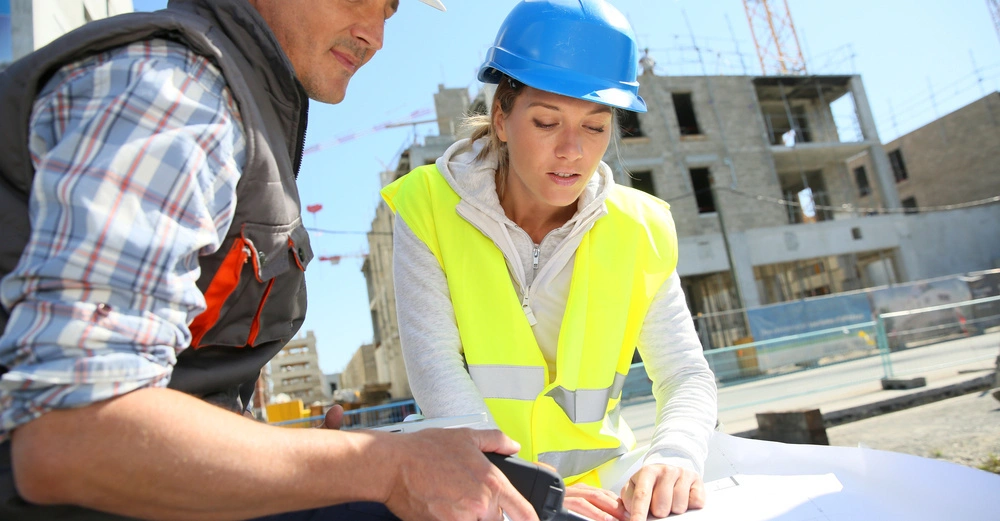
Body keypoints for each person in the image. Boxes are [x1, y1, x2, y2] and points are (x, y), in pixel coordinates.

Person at [0, 1, 539, 520]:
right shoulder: (176, 93)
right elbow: (70, 432)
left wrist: (315, 466)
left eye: (388, 10)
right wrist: (384, 467)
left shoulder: (244, 105)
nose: (374, 37)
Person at [382, 1, 719, 520]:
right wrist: (532, 491)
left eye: (595, 127)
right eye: (546, 122)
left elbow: (685, 373)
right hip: (483, 490)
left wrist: (675, 455)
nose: (572, 151)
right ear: (501, 118)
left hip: (605, 495)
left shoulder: (640, 228)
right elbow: (436, 371)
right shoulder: (427, 206)